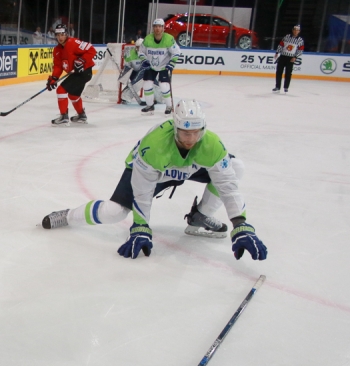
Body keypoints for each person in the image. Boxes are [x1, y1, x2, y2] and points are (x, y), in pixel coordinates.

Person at [41, 100, 267, 262]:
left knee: (236, 166)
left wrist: (241, 224)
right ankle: (68, 216)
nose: (191, 139)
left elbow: (227, 185)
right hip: (156, 170)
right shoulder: (155, 146)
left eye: (196, 133)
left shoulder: (211, 145)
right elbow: (143, 191)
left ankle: (200, 215)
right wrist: (140, 226)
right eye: (185, 133)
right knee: (114, 212)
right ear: (175, 128)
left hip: (188, 166)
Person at [46, 23, 96, 125]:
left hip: (84, 72)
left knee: (61, 90)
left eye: (62, 34)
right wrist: (54, 78)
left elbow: (91, 49)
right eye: (58, 35)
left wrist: (81, 60)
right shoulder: (57, 50)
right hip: (76, 74)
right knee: (73, 95)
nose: (60, 37)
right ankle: (81, 115)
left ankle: (63, 116)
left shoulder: (73, 43)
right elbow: (58, 66)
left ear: (67, 34)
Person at [138, 18, 180, 115]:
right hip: (151, 66)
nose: (157, 28)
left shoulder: (169, 39)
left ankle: (169, 106)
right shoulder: (148, 39)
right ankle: (150, 105)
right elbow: (141, 52)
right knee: (147, 85)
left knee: (164, 86)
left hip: (164, 66)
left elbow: (176, 52)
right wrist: (144, 60)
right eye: (155, 26)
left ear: (163, 28)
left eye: (160, 26)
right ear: (153, 28)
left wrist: (171, 64)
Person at [273, 24, 303, 94]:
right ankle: (277, 86)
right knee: (279, 72)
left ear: (299, 31)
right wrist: (277, 52)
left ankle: (286, 87)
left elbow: (300, 50)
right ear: (292, 30)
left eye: (297, 30)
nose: (296, 31)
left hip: (290, 58)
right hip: (283, 56)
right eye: (295, 30)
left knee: (288, 73)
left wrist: (295, 57)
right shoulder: (287, 37)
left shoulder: (300, 40)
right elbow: (281, 45)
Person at [119, 38, 148, 106]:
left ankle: (158, 97)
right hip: (134, 72)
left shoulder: (148, 54)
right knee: (139, 80)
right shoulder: (130, 54)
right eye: (138, 47)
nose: (139, 49)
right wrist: (125, 75)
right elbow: (127, 66)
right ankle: (126, 96)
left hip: (144, 72)